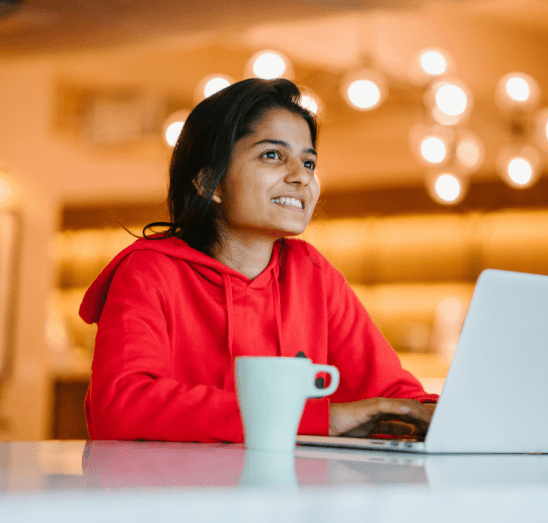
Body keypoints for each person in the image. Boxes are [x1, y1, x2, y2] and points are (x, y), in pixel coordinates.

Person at [80, 78, 438, 443]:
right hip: (175, 496)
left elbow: (395, 392)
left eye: (309, 161)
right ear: (210, 183)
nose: (301, 176)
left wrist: (442, 412)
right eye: (272, 155)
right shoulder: (148, 272)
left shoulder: (313, 275)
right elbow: (122, 407)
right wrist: (315, 419)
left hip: (288, 496)